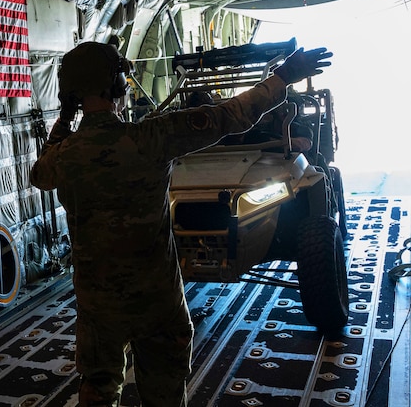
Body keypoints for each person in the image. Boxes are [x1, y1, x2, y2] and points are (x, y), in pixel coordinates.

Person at [29, 42, 332, 407]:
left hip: (98, 307)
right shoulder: (151, 138)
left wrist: (65, 117)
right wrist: (283, 76)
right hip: (157, 301)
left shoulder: (62, 155)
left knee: (97, 391)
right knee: (165, 396)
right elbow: (231, 115)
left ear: (73, 96)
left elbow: (39, 172)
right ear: (118, 86)